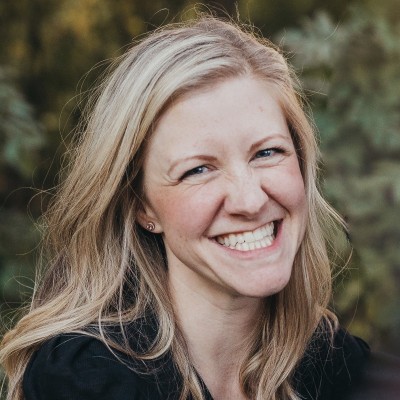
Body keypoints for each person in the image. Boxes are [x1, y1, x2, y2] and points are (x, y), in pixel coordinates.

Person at [0, 16, 373, 400]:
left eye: (267, 152)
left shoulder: (345, 370)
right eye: (198, 170)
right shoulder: (86, 381)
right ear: (142, 206)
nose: (250, 200)